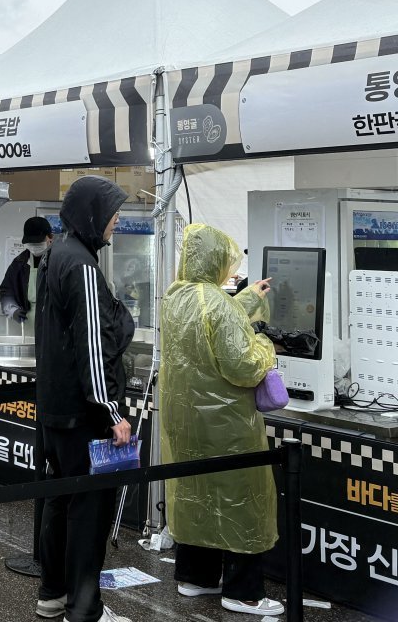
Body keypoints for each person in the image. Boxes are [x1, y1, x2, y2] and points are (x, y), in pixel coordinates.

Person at [161, 224, 283, 616]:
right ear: (215, 259)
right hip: (228, 425)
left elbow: (210, 320)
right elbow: (244, 365)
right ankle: (243, 592)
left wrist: (245, 299)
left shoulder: (176, 295)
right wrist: (265, 344)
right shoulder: (215, 302)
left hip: (187, 421)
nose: (230, 270)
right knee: (240, 499)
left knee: (197, 494)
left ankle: (196, 577)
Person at [35, 175, 135, 622]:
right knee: (90, 512)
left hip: (53, 413)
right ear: (93, 214)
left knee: (59, 502)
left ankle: (52, 594)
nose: (116, 222)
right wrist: (112, 412)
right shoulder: (84, 268)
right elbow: (92, 347)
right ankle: (85, 608)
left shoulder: (56, 255)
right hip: (84, 416)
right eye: (112, 213)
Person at [0, 216, 53, 328]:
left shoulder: (60, 261)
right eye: (31, 243)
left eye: (38, 242)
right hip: (28, 325)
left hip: (54, 325)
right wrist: (13, 310)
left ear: (50, 237)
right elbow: (7, 289)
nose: (34, 246)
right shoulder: (20, 262)